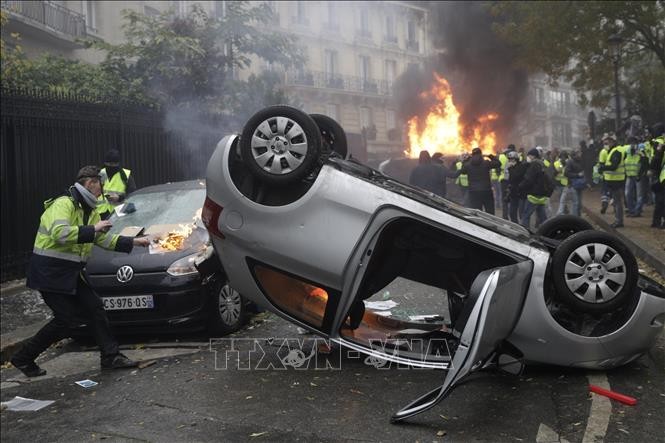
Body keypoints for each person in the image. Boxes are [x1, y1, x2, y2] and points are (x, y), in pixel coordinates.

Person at [11, 166, 151, 377]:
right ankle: (23, 358)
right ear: (90, 183)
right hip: (50, 272)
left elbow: (102, 239)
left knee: (95, 307)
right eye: (99, 184)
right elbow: (60, 233)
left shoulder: (90, 210)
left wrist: (135, 242)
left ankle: (111, 357)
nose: (102, 190)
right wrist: (93, 229)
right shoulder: (63, 204)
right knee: (65, 319)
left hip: (71, 272)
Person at [457, 147, 501, 214]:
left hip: (473, 192)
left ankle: (477, 224)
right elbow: (498, 163)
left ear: (472, 155)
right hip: (486, 190)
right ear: (481, 154)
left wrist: (466, 160)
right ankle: (490, 224)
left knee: (477, 213)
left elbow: (463, 172)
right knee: (490, 212)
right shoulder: (486, 163)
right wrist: (490, 156)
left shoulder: (468, 165)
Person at [98, 149, 136, 220]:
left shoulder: (125, 175)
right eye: (109, 164)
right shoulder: (100, 174)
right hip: (100, 214)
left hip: (119, 214)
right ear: (105, 163)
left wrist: (120, 197)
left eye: (114, 164)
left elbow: (133, 195)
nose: (111, 166)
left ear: (118, 163)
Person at [598, 136, 627, 228]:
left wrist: (602, 168)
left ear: (613, 142)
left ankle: (619, 221)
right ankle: (618, 220)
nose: (607, 145)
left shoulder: (616, 151)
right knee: (616, 201)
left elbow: (614, 166)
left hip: (616, 180)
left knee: (617, 202)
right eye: (606, 143)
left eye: (608, 142)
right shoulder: (613, 151)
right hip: (613, 180)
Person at [519, 148, 549, 229]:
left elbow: (529, 179)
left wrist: (520, 186)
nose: (528, 157)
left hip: (534, 194)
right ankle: (547, 230)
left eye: (529, 155)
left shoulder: (534, 165)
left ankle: (525, 232)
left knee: (525, 215)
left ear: (532, 156)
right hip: (542, 193)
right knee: (542, 216)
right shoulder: (541, 164)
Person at [624, 137, 645, 217]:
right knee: (628, 193)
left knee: (639, 194)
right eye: (630, 143)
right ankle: (631, 210)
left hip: (638, 175)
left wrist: (640, 152)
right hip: (629, 175)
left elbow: (644, 160)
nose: (632, 144)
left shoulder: (640, 148)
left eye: (633, 143)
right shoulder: (628, 150)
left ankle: (637, 211)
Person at [649, 124, 665, 229]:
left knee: (660, 200)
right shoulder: (659, 142)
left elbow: (656, 160)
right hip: (660, 175)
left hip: (660, 175)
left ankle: (657, 221)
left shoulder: (659, 142)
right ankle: (657, 221)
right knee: (660, 200)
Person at [506, 150, 528, 223]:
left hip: (521, 192)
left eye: (511, 159)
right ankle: (515, 225)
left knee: (522, 212)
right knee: (512, 212)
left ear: (516, 159)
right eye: (509, 159)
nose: (509, 161)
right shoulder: (511, 167)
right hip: (513, 192)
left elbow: (515, 176)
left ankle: (524, 227)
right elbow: (509, 179)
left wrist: (510, 168)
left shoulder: (521, 166)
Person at [563, 150, 585, 216]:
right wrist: (577, 175)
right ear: (575, 154)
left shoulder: (581, 161)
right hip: (573, 184)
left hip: (580, 184)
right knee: (575, 202)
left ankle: (578, 217)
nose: (581, 154)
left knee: (579, 203)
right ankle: (575, 218)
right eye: (579, 153)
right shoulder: (570, 162)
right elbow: (566, 173)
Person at [597, 134, 614, 214]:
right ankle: (614, 206)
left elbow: (601, 164)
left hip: (606, 176)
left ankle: (604, 204)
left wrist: (600, 173)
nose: (606, 145)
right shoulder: (615, 150)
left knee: (605, 191)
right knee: (612, 191)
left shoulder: (603, 152)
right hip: (615, 175)